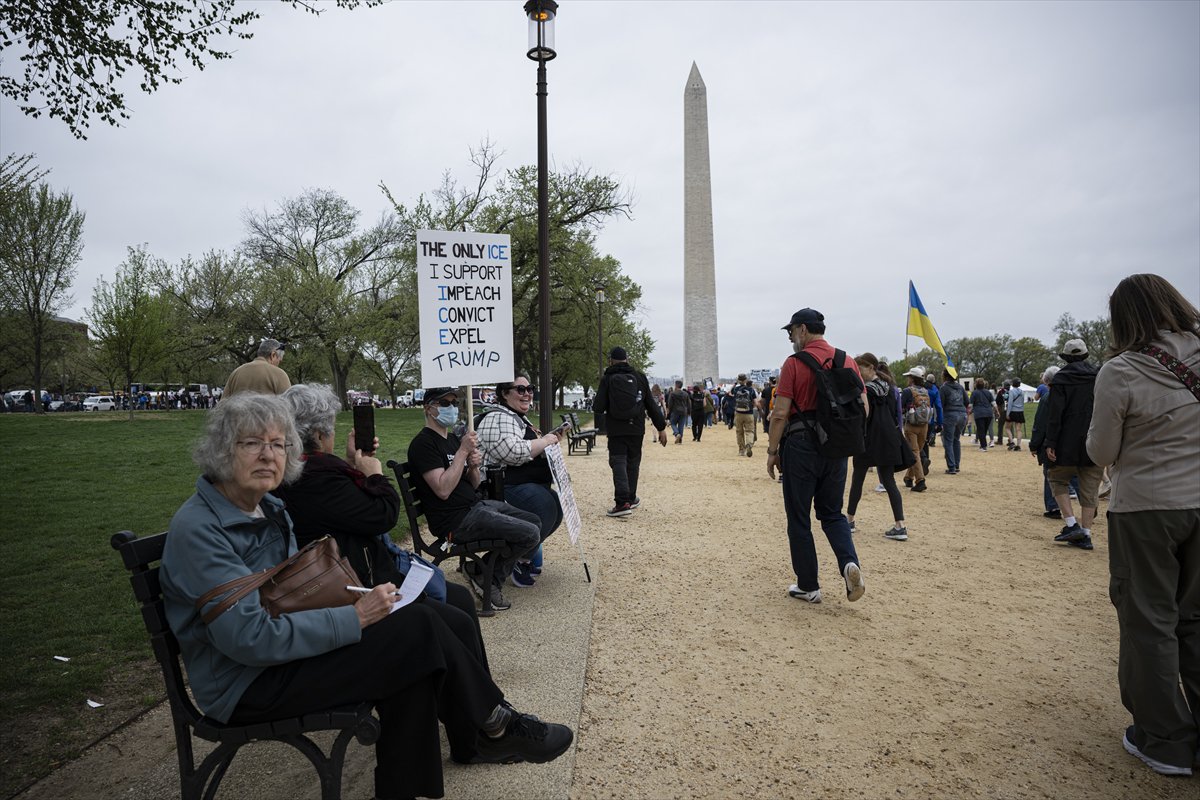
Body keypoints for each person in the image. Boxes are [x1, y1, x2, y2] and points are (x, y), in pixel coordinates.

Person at [160, 393, 572, 800]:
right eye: (252, 443)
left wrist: (360, 605)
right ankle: (496, 723)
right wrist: (354, 618)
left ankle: (434, 767)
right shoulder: (202, 530)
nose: (269, 455)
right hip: (245, 684)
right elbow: (248, 638)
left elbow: (289, 596)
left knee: (416, 643)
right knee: (415, 630)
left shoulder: (267, 508)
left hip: (280, 660)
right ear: (219, 450)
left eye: (279, 444)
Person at [275, 383, 485, 662]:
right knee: (455, 616)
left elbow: (341, 506)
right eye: (332, 426)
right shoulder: (317, 477)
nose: (450, 407)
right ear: (318, 433)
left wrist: (351, 463)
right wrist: (374, 476)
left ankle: (477, 693)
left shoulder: (302, 470)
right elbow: (383, 516)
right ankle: (478, 697)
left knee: (458, 599)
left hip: (348, 574)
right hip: (351, 586)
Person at [1086, 273, 1200, 777]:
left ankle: (1166, 739)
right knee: (1195, 620)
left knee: (1149, 622)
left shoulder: (1123, 369)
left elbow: (1101, 451)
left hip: (1148, 506)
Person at [407, 387, 541, 611]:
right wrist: (461, 453)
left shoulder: (451, 438)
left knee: (535, 522)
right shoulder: (423, 444)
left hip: (475, 507)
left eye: (454, 403)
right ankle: (488, 579)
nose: (452, 408)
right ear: (429, 408)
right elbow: (442, 490)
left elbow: (474, 484)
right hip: (455, 522)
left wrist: (474, 466)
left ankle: (480, 569)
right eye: (445, 403)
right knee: (529, 533)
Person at [765, 308, 866, 605]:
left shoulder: (794, 363)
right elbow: (864, 407)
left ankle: (809, 585)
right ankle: (849, 564)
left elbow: (780, 412)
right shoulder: (846, 359)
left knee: (799, 517)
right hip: (836, 446)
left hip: (801, 445)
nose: (790, 338)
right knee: (833, 513)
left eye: (791, 332)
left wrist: (772, 451)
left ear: (803, 330)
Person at [477, 373, 564, 588]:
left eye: (530, 388)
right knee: (544, 506)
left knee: (555, 505)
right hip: (493, 487)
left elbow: (525, 449)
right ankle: (509, 561)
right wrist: (544, 441)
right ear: (504, 394)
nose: (527, 394)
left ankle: (520, 558)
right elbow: (513, 453)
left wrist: (547, 444)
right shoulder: (498, 417)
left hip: (511, 481)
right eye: (521, 389)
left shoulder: (515, 416)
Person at [593, 347, 668, 516]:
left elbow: (598, 406)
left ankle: (622, 502)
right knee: (633, 463)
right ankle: (631, 497)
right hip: (636, 427)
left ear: (611, 360)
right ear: (627, 359)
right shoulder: (639, 377)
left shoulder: (608, 378)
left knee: (618, 461)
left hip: (616, 428)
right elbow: (650, 404)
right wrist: (661, 427)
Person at [1043, 339, 1102, 550]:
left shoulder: (1061, 379)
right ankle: (1086, 533)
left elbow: (1055, 414)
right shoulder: (1099, 376)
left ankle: (1071, 524)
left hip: (1066, 440)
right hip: (1094, 439)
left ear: (1065, 357)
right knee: (1090, 486)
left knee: (1057, 478)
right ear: (1085, 355)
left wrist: (1051, 441)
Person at [845, 353, 909, 541]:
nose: (858, 372)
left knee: (858, 479)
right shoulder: (890, 388)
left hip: (868, 439)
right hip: (888, 438)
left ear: (871, 368)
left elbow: (861, 415)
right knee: (889, 481)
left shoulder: (866, 390)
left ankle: (849, 520)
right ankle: (900, 525)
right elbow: (895, 413)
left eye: (861, 368)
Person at [1029, 366, 1077, 519]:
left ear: (1047, 381)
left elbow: (1041, 424)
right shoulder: (1073, 395)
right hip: (1072, 441)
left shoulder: (1047, 398)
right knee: (1075, 474)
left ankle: (1053, 507)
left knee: (1050, 473)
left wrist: (1034, 445)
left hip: (1052, 442)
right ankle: (1087, 504)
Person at [900, 366, 931, 492]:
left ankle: (920, 481)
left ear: (912, 378)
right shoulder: (925, 391)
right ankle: (908, 477)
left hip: (911, 425)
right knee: (917, 452)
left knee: (914, 452)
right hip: (924, 425)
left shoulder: (908, 391)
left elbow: (900, 407)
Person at [223, 339, 291, 397]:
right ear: (273, 355)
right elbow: (290, 407)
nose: (280, 361)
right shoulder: (279, 375)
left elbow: (222, 406)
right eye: (279, 358)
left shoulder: (236, 373)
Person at [939, 370, 968, 474]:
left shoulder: (944, 388)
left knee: (948, 441)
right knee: (956, 439)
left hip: (950, 414)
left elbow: (940, 404)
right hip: (962, 414)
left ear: (945, 376)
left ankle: (951, 467)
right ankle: (956, 465)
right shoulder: (960, 387)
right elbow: (967, 401)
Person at [731, 374, 758, 457]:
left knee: (739, 432)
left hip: (738, 413)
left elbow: (731, 392)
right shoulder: (751, 390)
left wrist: (735, 384)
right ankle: (749, 445)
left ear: (739, 380)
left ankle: (741, 450)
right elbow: (755, 402)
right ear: (746, 380)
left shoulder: (736, 389)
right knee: (749, 431)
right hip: (749, 413)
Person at [968, 378, 996, 451]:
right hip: (989, 413)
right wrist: (997, 412)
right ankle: (983, 445)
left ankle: (983, 446)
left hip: (979, 413)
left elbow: (970, 405)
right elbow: (993, 403)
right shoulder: (988, 392)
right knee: (984, 430)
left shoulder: (974, 393)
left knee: (981, 430)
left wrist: (969, 412)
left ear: (976, 385)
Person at [1005, 378, 1026, 450]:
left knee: (1007, 428)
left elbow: (1010, 403)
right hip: (1020, 411)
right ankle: (1019, 445)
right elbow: (1023, 403)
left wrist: (1008, 413)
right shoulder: (1022, 392)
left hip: (1012, 411)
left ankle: (1011, 442)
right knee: (1018, 429)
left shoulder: (1011, 391)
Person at [665, 380, 688, 444]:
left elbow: (670, 404)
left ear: (676, 385)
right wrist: (688, 411)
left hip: (675, 411)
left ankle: (677, 434)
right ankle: (680, 440)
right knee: (681, 425)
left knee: (673, 423)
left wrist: (668, 412)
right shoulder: (685, 394)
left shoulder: (672, 393)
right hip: (683, 411)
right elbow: (688, 403)